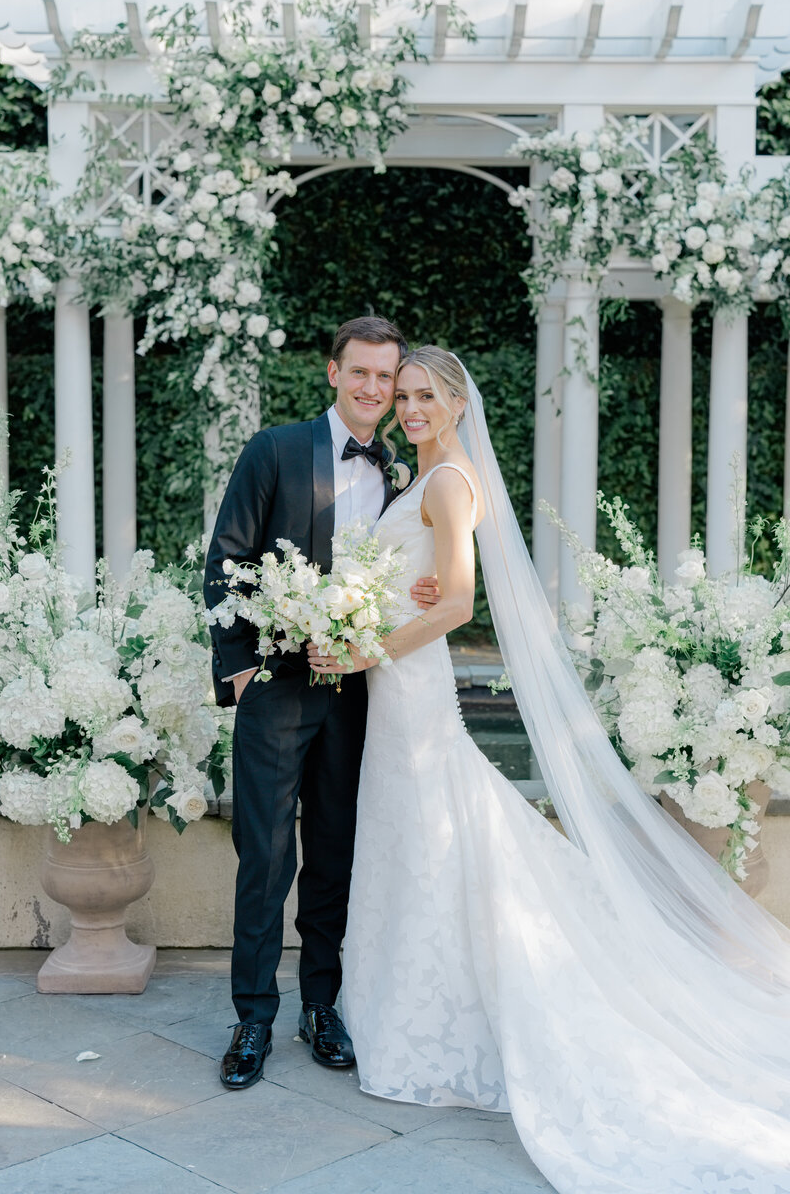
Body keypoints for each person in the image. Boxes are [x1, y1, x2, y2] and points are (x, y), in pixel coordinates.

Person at [308, 346, 790, 1193]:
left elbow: (457, 602)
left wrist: (361, 650)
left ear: (458, 405)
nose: (411, 407)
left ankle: (435, 1036)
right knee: (417, 851)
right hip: (392, 693)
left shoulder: (451, 481)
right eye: (405, 395)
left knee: (429, 848)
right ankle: (404, 1017)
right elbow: (421, 579)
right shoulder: (421, 478)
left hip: (410, 693)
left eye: (428, 396)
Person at [204, 317, 438, 1090]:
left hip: (359, 691)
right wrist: (238, 671)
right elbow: (228, 558)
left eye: (387, 377)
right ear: (333, 374)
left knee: (335, 851)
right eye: (362, 373)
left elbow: (405, 570)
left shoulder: (401, 473)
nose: (376, 389)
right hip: (276, 685)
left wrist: (423, 592)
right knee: (265, 855)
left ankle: (322, 1006)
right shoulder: (274, 450)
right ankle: (252, 1017)